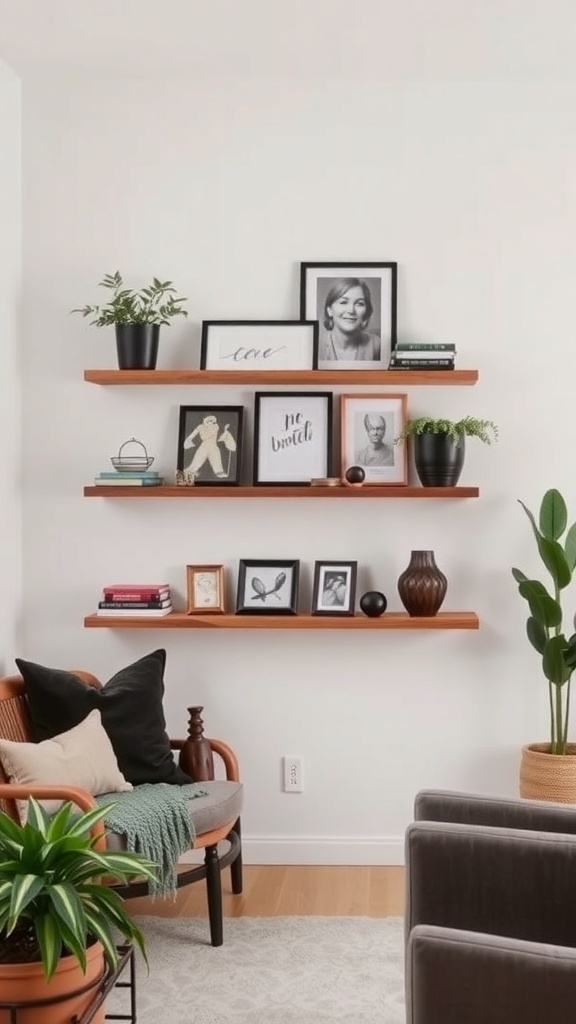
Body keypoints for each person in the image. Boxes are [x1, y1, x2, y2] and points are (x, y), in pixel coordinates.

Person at [319, 278, 381, 362]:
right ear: (329, 310)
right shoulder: (315, 346)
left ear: (366, 311)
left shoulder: (378, 346)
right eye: (343, 302)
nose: (351, 310)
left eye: (359, 304)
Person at [183, 415, 236, 479]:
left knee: (216, 459)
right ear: (205, 421)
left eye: (211, 421)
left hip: (213, 446)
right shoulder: (201, 427)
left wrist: (225, 432)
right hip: (204, 446)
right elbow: (198, 435)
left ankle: (219, 472)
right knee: (197, 460)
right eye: (208, 421)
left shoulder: (215, 426)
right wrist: (189, 439)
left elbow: (216, 437)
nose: (210, 422)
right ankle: (190, 471)